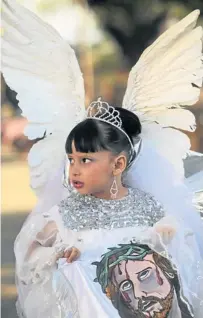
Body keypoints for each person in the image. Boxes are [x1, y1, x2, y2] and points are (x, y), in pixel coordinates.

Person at [2, 1, 203, 317]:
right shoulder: (65, 213)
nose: (74, 169)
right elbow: (31, 255)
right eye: (71, 159)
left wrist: (167, 239)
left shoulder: (149, 207)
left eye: (86, 160)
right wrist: (57, 255)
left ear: (118, 164)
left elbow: (179, 251)